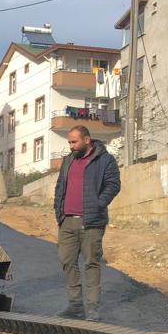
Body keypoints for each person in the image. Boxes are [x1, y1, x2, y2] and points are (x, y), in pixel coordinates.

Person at [53, 125, 121, 321]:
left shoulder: (105, 160)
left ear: (87, 140)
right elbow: (60, 187)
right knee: (67, 261)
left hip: (91, 221)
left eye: (74, 142)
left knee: (91, 263)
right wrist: (59, 212)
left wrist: (98, 204)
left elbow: (113, 185)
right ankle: (75, 306)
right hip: (67, 221)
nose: (71, 146)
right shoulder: (68, 160)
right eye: (69, 142)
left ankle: (92, 308)